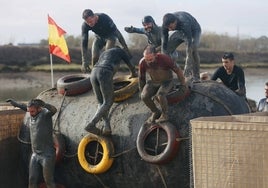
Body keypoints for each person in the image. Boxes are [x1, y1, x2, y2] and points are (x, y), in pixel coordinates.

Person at [85, 47, 138, 135]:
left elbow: (95, 61)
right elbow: (131, 66)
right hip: (105, 72)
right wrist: (133, 74)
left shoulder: (104, 53)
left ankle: (107, 127)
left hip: (93, 73)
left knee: (101, 102)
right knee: (108, 101)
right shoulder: (121, 51)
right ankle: (92, 124)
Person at [6, 98, 57, 188]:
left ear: (39, 109)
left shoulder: (45, 114)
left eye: (32, 111)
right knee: (32, 180)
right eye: (29, 111)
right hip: (35, 154)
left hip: (47, 155)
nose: (30, 113)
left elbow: (54, 110)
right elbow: (24, 107)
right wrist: (15, 103)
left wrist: (44, 104)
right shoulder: (31, 112)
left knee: (49, 181)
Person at [139, 45, 186, 123]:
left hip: (167, 81)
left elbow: (178, 70)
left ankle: (165, 114)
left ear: (156, 55)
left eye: (151, 59)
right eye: (146, 59)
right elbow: (141, 77)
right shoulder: (142, 62)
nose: (148, 61)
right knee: (144, 96)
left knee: (160, 95)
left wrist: (183, 84)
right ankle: (155, 111)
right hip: (153, 82)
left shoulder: (164, 58)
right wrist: (142, 89)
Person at [162, 11, 201, 82]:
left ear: (175, 22)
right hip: (181, 31)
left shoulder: (184, 22)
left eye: (171, 27)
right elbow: (164, 40)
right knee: (167, 47)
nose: (170, 29)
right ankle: (169, 73)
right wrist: (164, 55)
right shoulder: (165, 24)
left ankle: (196, 76)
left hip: (194, 31)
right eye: (168, 28)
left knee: (193, 50)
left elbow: (189, 44)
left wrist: (187, 66)